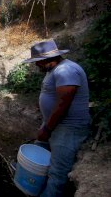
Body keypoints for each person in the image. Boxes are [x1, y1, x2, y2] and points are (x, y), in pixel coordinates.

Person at [23, 40, 90, 197]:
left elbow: (63, 104)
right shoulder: (53, 70)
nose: (36, 65)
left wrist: (47, 129)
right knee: (38, 156)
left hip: (68, 129)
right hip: (54, 125)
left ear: (47, 59)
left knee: (57, 173)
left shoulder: (67, 70)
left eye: (37, 62)